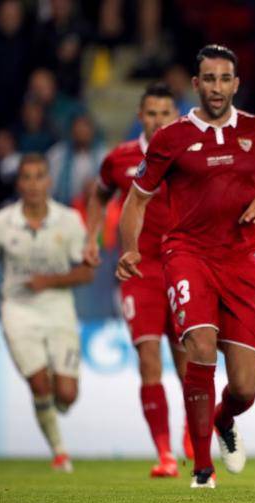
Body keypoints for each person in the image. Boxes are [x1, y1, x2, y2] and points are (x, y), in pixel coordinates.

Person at [116, 44, 255, 489]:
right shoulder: (171, 138)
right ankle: (202, 467)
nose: (217, 88)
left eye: (225, 79)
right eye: (209, 79)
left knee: (243, 389)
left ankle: (224, 419)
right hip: (187, 255)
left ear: (235, 84)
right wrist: (130, 249)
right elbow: (136, 199)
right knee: (198, 346)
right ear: (196, 85)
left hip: (242, 261)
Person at [84, 82, 189, 478]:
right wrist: (91, 236)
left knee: (187, 362)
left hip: (183, 269)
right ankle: (164, 455)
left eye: (165, 113)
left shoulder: (190, 156)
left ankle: (192, 437)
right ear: (139, 116)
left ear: (175, 116)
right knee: (148, 358)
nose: (158, 120)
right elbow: (99, 194)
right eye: (151, 113)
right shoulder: (120, 159)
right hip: (139, 272)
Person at [0, 153, 94, 472]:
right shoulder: (3, 222)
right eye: (27, 177)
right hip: (18, 310)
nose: (33, 184)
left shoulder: (68, 220)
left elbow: (86, 272)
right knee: (39, 385)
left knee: (66, 394)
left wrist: (48, 281)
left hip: (58, 309)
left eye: (39, 176)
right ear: (19, 182)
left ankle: (55, 399)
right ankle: (59, 452)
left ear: (49, 181)